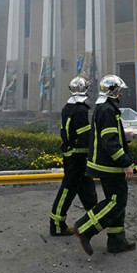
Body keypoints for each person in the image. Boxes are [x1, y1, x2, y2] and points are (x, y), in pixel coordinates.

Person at [74, 74, 137, 256]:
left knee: (117, 201)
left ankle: (117, 241)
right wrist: (125, 163)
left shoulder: (103, 108)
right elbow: (109, 141)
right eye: (119, 91)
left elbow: (109, 137)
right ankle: (84, 227)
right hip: (110, 167)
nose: (121, 95)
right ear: (113, 91)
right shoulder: (107, 110)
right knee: (116, 202)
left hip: (106, 165)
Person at [49, 76, 98, 236]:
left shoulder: (67, 107)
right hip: (77, 156)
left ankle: (96, 220)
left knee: (87, 188)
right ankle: (57, 225)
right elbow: (84, 135)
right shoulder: (81, 109)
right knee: (68, 190)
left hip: (74, 155)